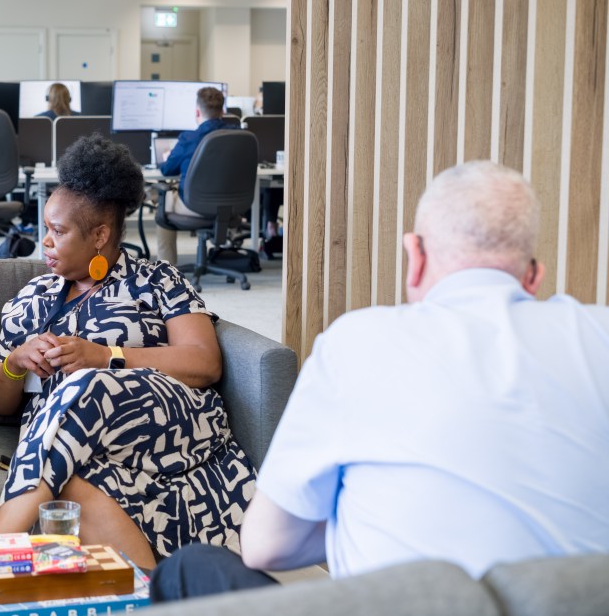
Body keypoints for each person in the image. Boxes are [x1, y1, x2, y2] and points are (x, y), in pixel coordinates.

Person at [150, 161, 609, 600]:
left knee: (191, 569)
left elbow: (267, 546)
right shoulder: (599, 335)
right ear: (533, 277)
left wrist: (368, 517)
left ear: (416, 255)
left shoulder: (359, 341)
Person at [0, 134, 256, 570]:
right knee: (67, 484)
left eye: (58, 231)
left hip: (168, 418)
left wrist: (103, 356)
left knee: (87, 384)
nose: (44, 242)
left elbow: (205, 362)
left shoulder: (157, 279)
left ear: (100, 234)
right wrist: (15, 364)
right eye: (44, 228)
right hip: (71, 445)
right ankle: (150, 593)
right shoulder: (30, 299)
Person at [157, 86, 239, 264]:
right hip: (231, 207)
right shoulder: (241, 136)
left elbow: (167, 170)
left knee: (164, 201)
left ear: (196, 112)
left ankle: (166, 269)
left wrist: (166, 158)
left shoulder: (188, 139)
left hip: (194, 206)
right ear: (222, 111)